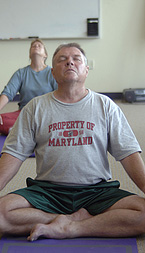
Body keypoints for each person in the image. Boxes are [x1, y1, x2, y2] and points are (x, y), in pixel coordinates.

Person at [0, 42, 145, 242]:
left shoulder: (106, 106)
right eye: (62, 59)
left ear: (86, 70)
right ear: (52, 73)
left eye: (76, 59)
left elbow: (129, 155)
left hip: (96, 191)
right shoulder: (35, 107)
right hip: (48, 192)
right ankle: (67, 220)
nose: (69, 62)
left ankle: (73, 228)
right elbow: (13, 155)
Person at [0, 39, 57, 135]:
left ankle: (22, 130)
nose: (36, 46)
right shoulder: (21, 73)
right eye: (33, 46)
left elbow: (60, 94)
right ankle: (33, 130)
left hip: (46, 114)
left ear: (45, 55)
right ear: (30, 55)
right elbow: (7, 93)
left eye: (39, 45)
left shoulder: (52, 72)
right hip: (24, 114)